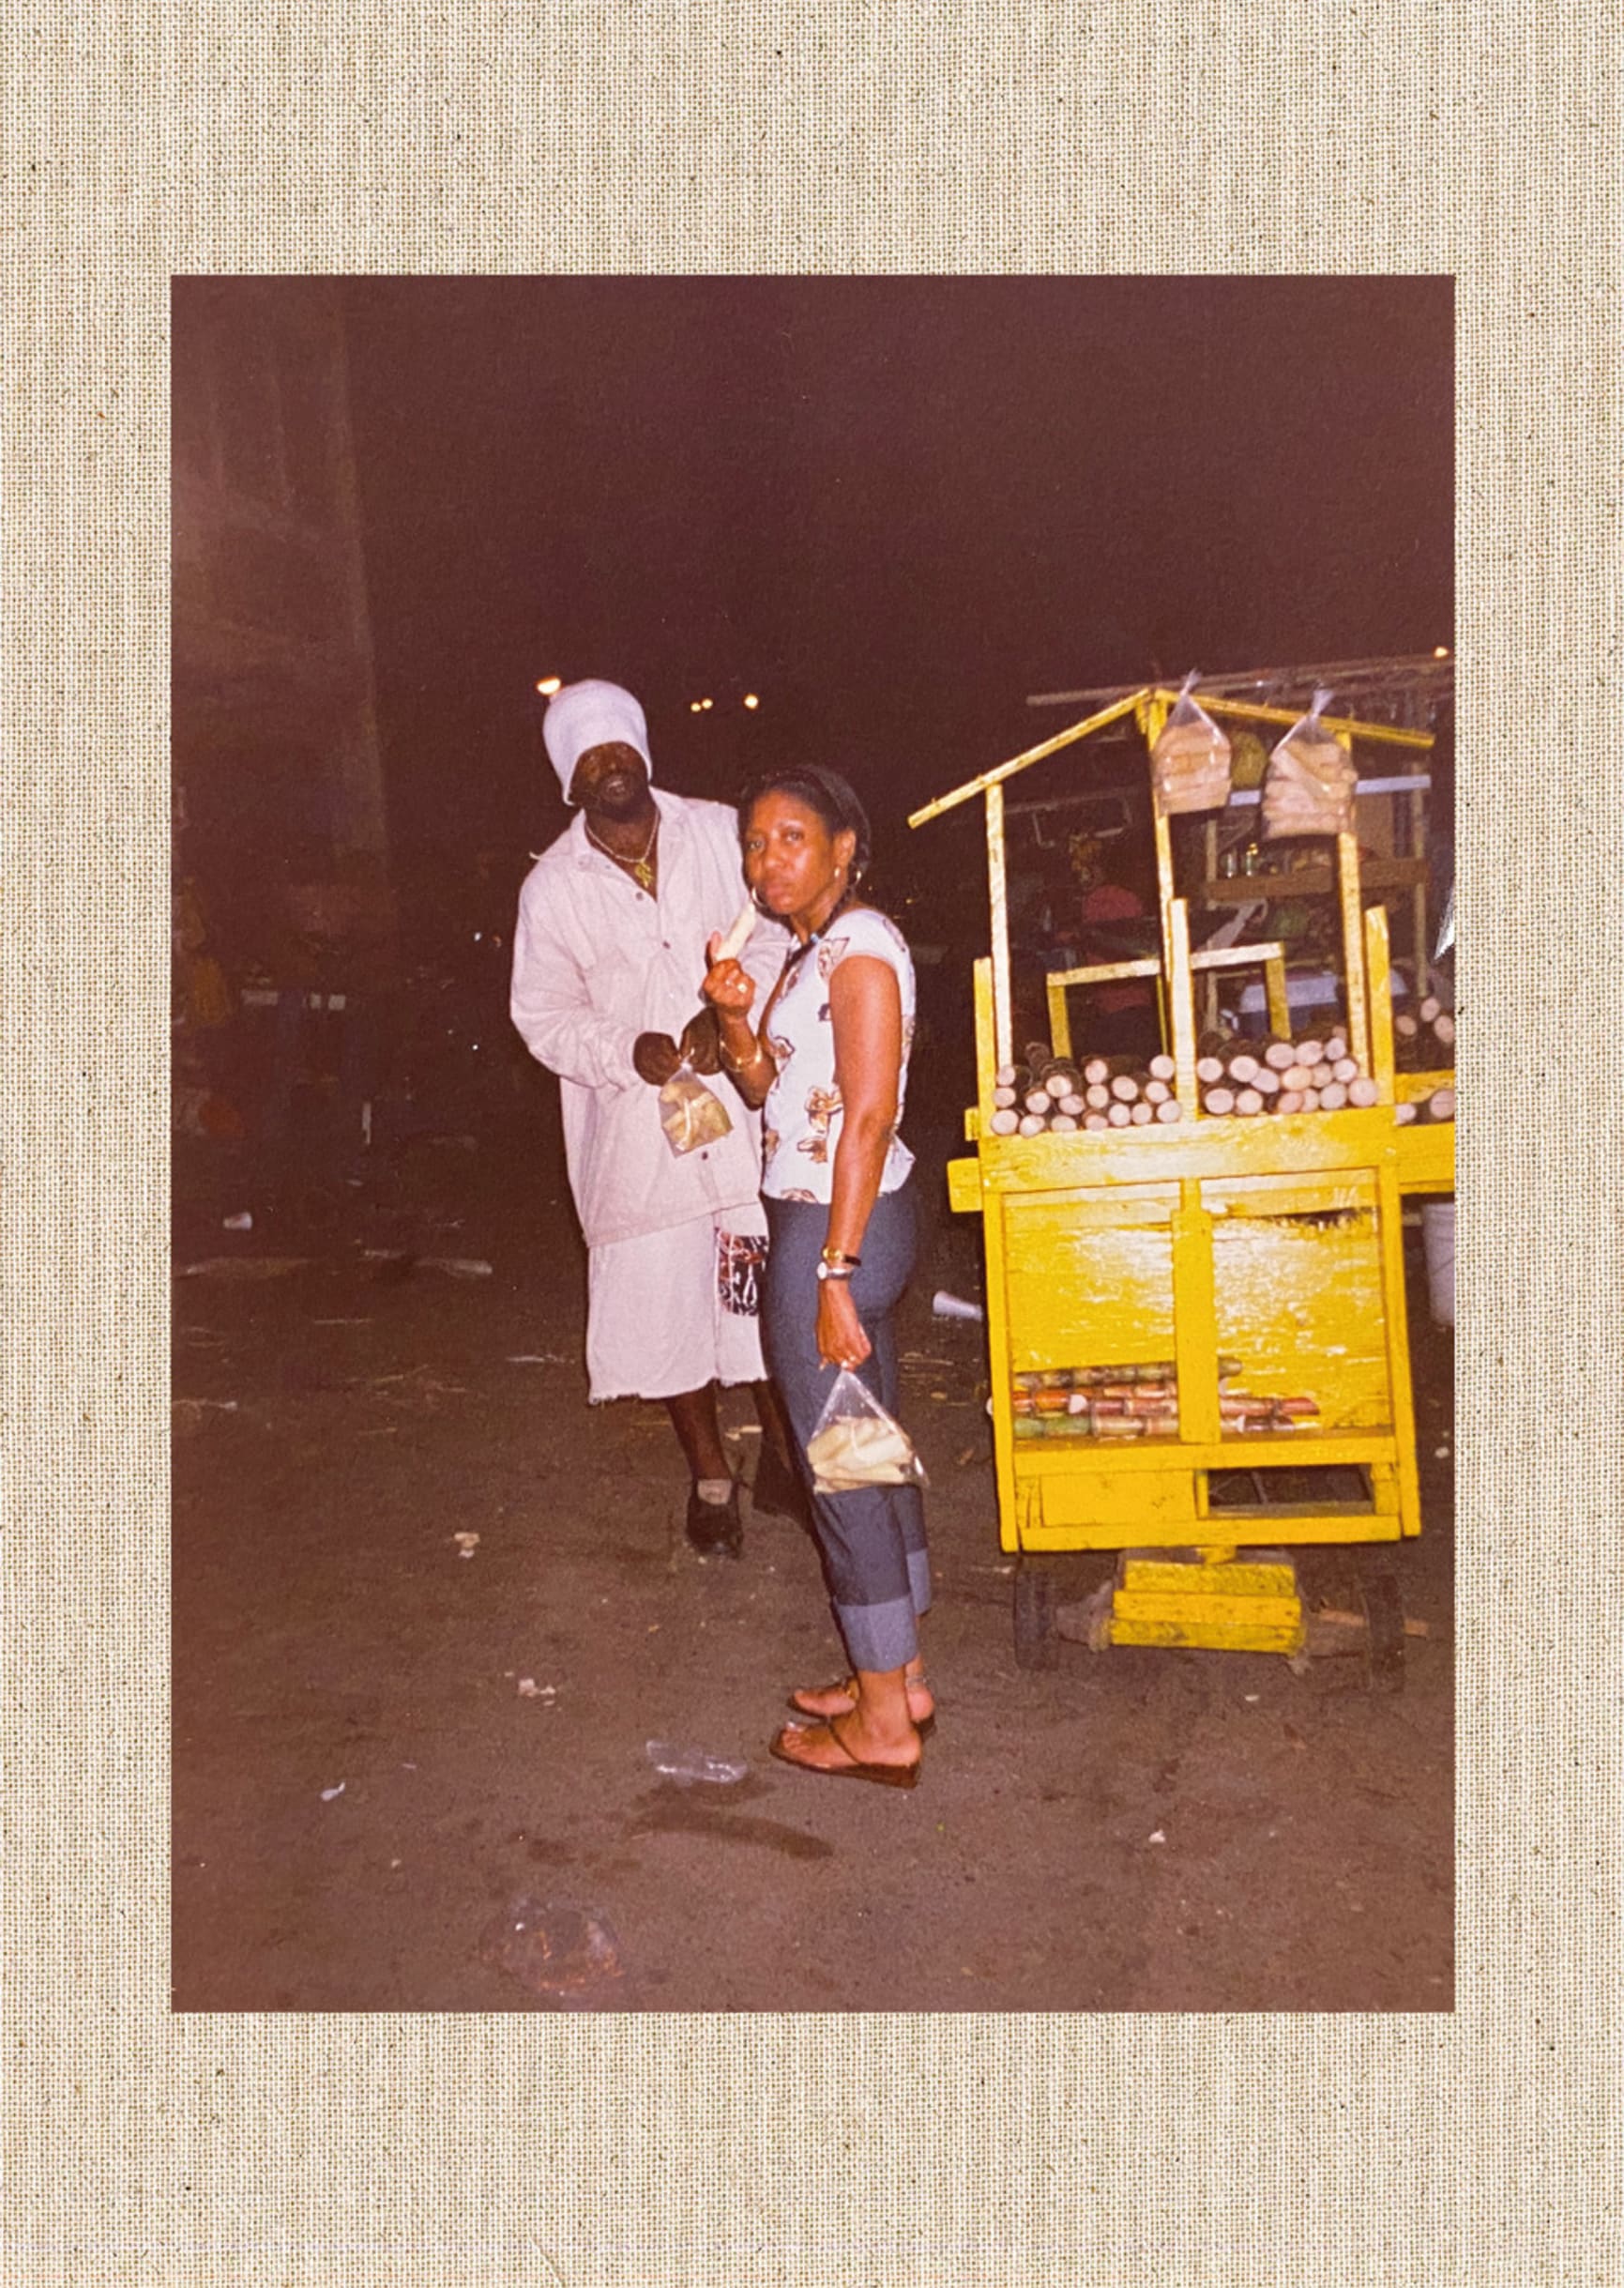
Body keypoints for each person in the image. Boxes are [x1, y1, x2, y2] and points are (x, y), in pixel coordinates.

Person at [509, 679, 808, 1557]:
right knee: (667, 1304)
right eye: (589, 758)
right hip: (637, 1129)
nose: (608, 768)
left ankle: (786, 1461)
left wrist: (731, 1013)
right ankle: (711, 1476)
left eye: (619, 750)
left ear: (643, 754)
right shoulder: (552, 887)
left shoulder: (720, 831)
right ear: (569, 779)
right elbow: (542, 1013)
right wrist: (618, 1048)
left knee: (760, 1292)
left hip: (740, 1101)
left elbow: (777, 926)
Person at [701, 765, 931, 1788]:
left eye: (791, 838)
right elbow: (763, 1089)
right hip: (825, 1216)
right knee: (865, 1447)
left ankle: (883, 1721)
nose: (766, 860)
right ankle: (900, 1673)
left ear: (845, 846)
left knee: (836, 1465)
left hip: (840, 1225)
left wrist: (832, 1273)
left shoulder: (863, 947)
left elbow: (870, 1116)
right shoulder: (800, 954)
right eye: (755, 842)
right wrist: (738, 1016)